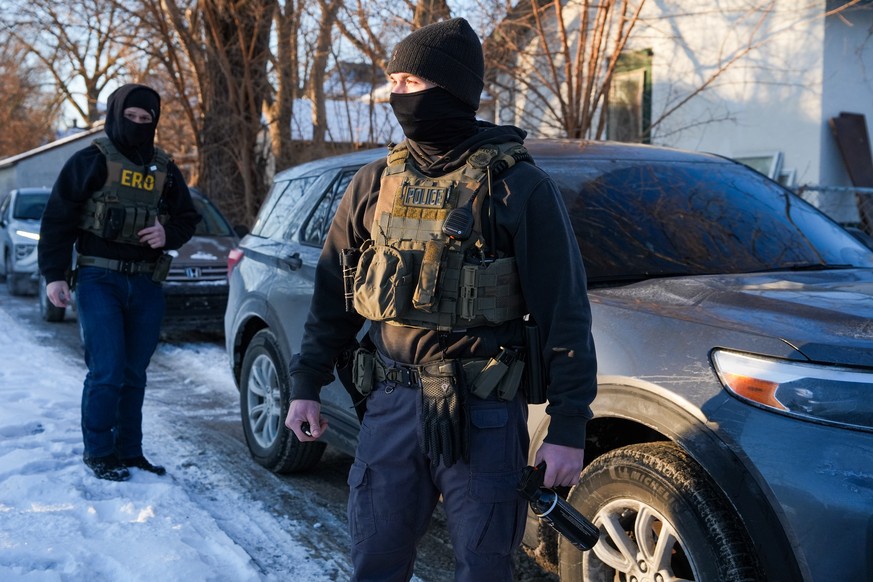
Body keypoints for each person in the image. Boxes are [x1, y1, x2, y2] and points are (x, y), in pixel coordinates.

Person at [285, 17, 597, 581]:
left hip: (482, 411)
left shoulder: (518, 186)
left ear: (451, 87)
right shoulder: (374, 183)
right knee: (375, 561)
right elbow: (333, 292)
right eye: (393, 81)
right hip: (392, 404)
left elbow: (565, 315)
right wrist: (306, 384)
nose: (394, 94)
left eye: (409, 81)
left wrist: (569, 428)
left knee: (483, 567)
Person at [39, 83, 200, 482]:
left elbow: (187, 217)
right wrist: (53, 276)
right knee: (107, 370)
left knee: (134, 373)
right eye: (131, 118)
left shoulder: (164, 167)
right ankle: (98, 451)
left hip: (146, 283)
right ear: (114, 115)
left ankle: (130, 451)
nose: (138, 125)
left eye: (147, 120)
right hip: (98, 279)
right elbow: (57, 219)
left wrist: (167, 233)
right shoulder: (88, 161)